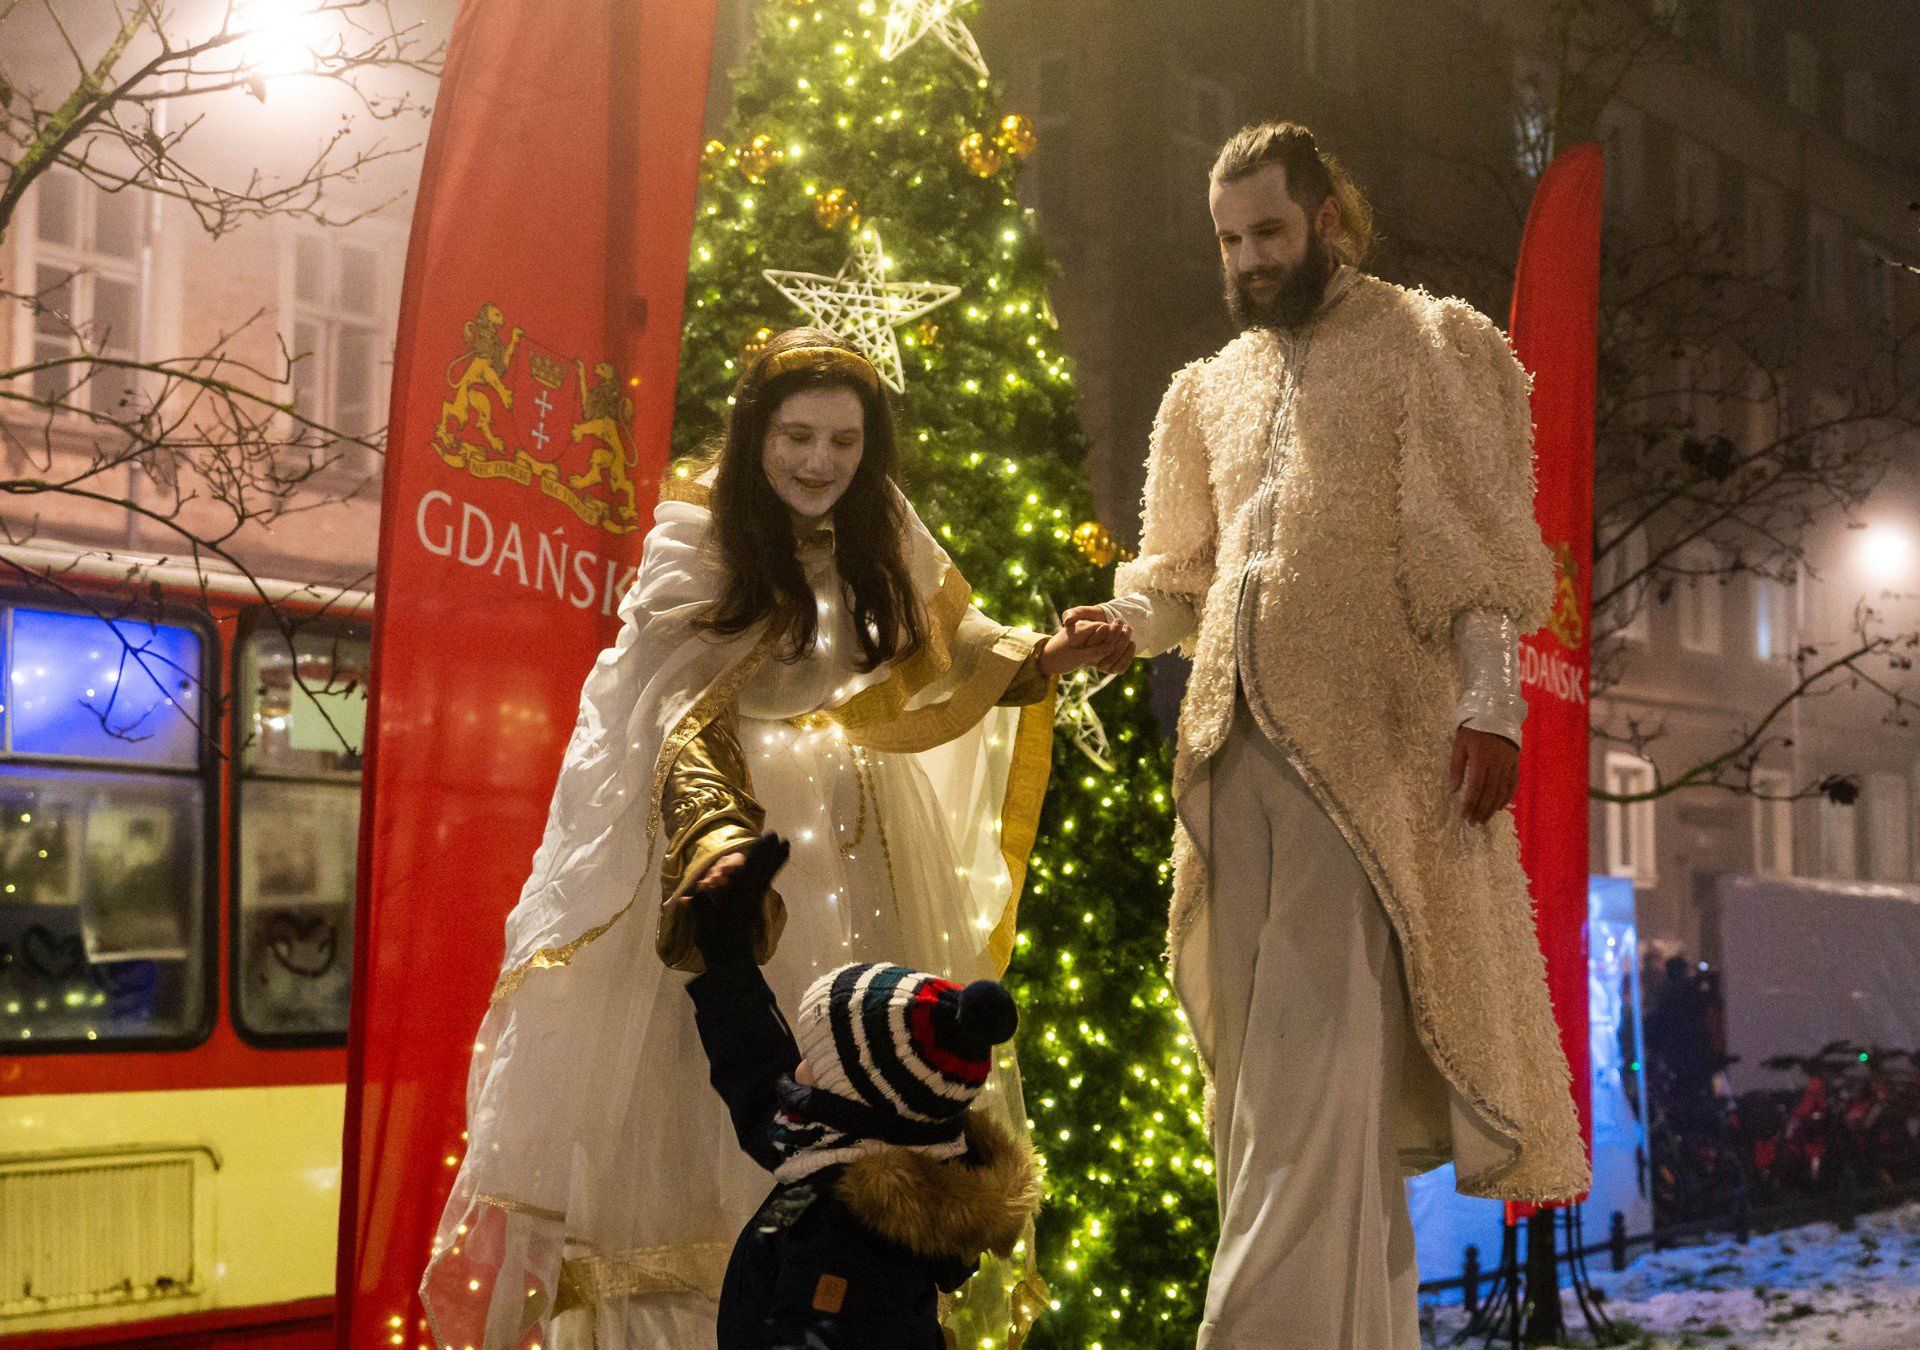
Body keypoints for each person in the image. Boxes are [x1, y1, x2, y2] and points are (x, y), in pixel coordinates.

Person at [422, 328, 1128, 1348]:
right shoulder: (693, 538)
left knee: (853, 1123)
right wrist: (714, 848)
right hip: (736, 858)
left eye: (843, 441)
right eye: (798, 436)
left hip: (860, 866)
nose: (819, 462)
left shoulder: (881, 526)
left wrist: (1048, 653)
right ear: (756, 435)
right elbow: (663, 713)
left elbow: (953, 649)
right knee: (712, 1115)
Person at [1070, 122, 1590, 1348]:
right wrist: (1123, 625)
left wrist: (1491, 701)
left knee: (1309, 1088)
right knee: (1275, 1101)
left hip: (1365, 762)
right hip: (1227, 757)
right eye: (1232, 239)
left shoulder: (1427, 345)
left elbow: (1469, 547)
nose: (1250, 258)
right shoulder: (1206, 390)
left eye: (1270, 231)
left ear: (1330, 220)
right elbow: (1183, 578)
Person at [676, 831, 1043, 1350]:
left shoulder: (851, 1240)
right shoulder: (853, 1158)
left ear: (854, 1104)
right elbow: (763, 1083)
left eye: (813, 1061)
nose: (797, 1066)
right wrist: (726, 946)